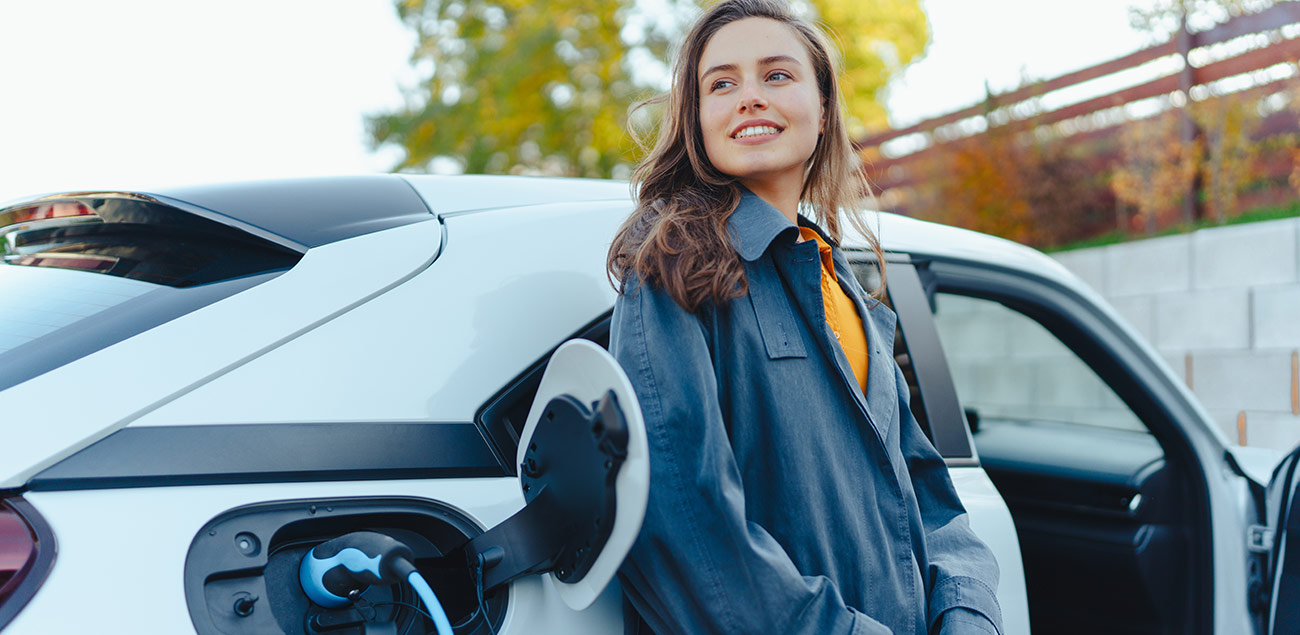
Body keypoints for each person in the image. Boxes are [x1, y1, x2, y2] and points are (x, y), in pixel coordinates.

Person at [604, 1, 1003, 633]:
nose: (750, 98)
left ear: (823, 112)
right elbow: (681, 517)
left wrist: (966, 606)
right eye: (722, 83)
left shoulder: (847, 291)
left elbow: (926, 491)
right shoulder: (671, 263)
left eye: (778, 75)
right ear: (698, 120)